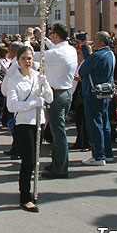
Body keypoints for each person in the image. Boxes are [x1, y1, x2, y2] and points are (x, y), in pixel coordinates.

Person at [5, 46, 52, 213]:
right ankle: (24, 197)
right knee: (29, 161)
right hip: (23, 124)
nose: (27, 61)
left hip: (38, 123)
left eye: (30, 58)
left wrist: (45, 86)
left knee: (36, 161)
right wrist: (33, 103)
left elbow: (50, 98)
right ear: (18, 60)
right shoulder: (14, 80)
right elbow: (12, 106)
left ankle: (30, 191)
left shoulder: (38, 76)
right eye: (24, 58)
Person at [29, 24, 77, 179]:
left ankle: (61, 168)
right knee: (58, 132)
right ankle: (57, 162)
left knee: (58, 134)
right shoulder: (69, 49)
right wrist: (42, 37)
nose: (50, 36)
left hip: (56, 94)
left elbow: (30, 55)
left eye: (51, 34)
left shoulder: (57, 53)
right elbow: (52, 48)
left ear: (56, 34)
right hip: (65, 92)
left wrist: (27, 39)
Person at [78, 31, 116, 166]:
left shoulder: (98, 55)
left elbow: (83, 70)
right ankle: (107, 153)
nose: (93, 41)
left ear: (100, 41)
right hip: (104, 92)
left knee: (94, 124)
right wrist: (83, 47)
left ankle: (98, 155)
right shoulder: (109, 54)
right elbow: (91, 62)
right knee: (104, 123)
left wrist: (84, 50)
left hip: (93, 93)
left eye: (95, 39)